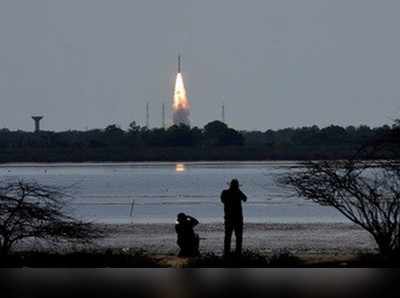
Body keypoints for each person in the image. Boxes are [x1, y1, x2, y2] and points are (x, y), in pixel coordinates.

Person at [220, 178, 247, 256]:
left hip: (229, 218)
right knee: (238, 237)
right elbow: (245, 198)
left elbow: (222, 200)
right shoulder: (237, 193)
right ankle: (237, 253)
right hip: (237, 218)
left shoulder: (225, 193)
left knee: (228, 237)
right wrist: (238, 192)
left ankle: (227, 253)